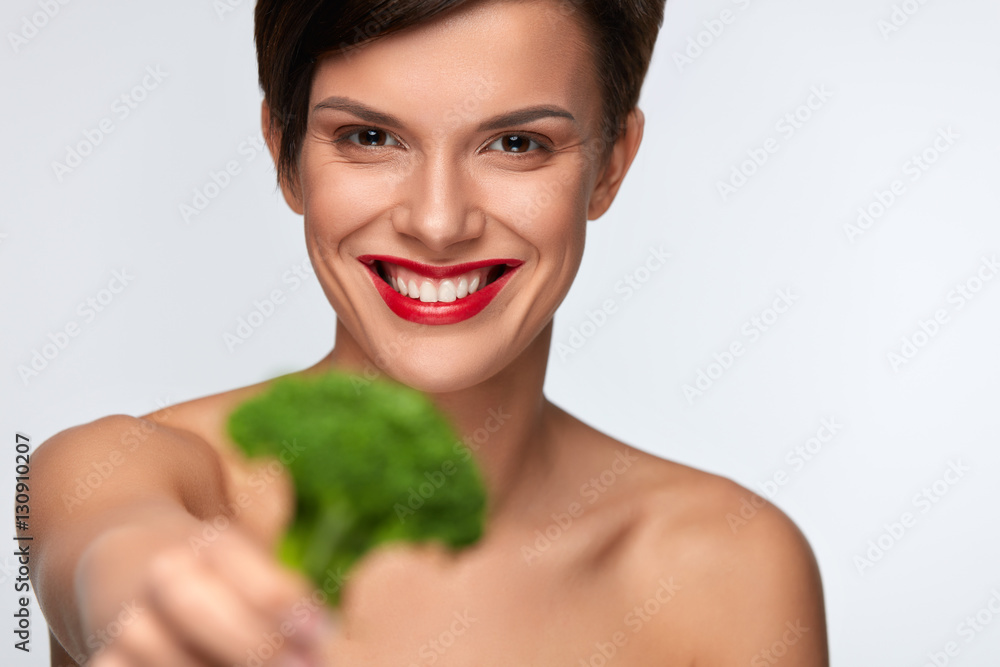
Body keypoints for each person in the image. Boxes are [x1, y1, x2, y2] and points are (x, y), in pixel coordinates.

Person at [27, 0, 829, 665]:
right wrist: (141, 577)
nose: (439, 223)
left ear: (611, 163)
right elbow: (100, 537)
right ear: (286, 157)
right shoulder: (130, 470)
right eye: (370, 138)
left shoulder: (733, 567)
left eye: (517, 144)